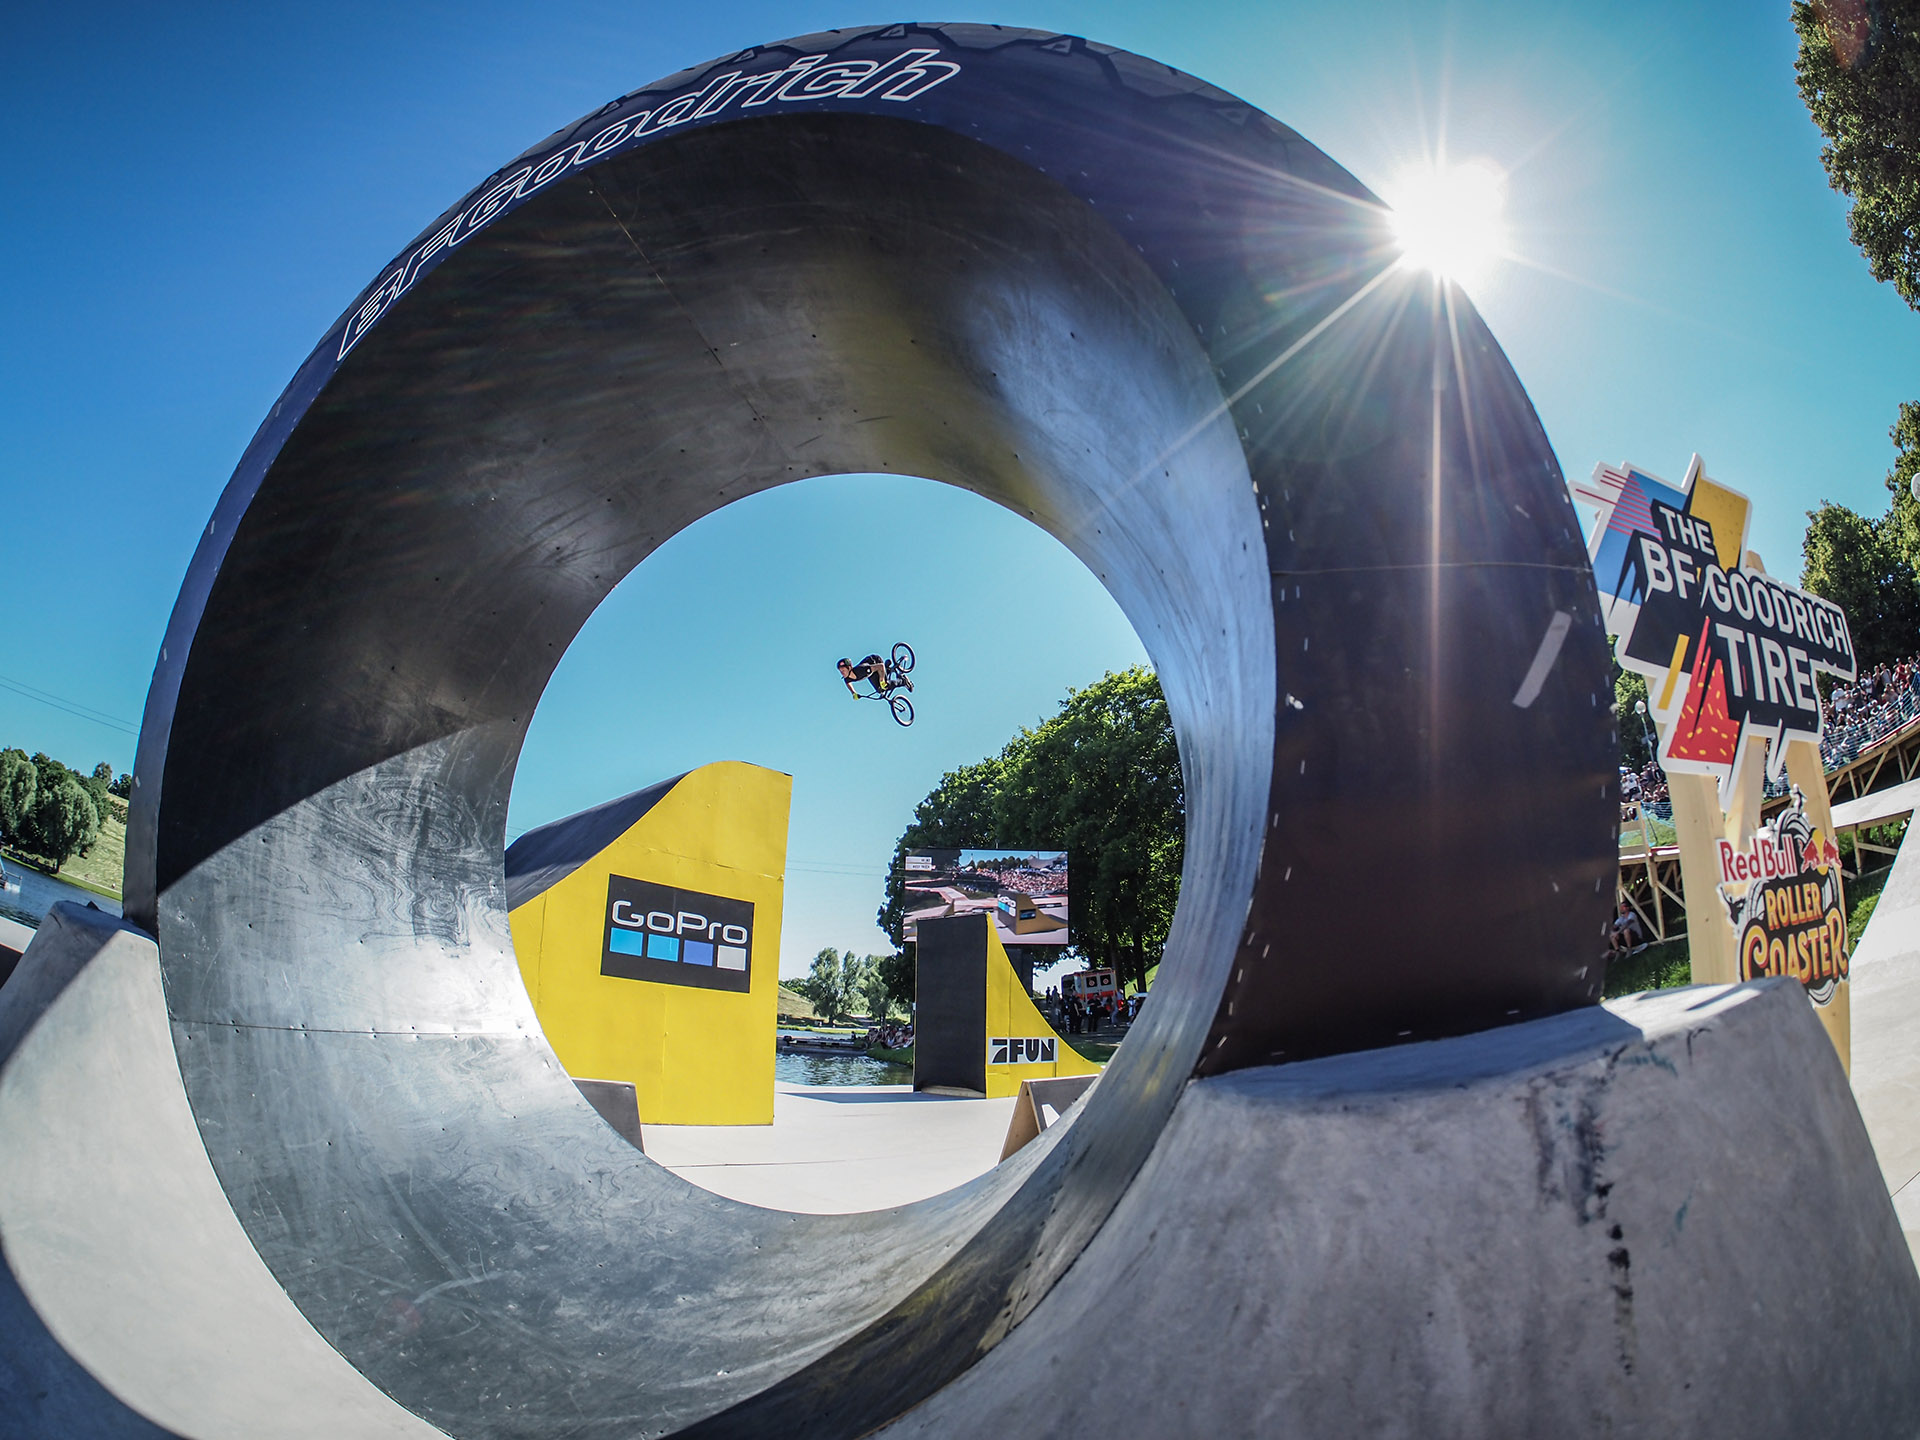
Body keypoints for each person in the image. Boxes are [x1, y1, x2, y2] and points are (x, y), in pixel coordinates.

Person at [838, 654, 912, 698]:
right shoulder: (847, 678)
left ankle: (903, 681)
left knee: (884, 686)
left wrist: (882, 680)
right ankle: (887, 669)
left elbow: (880, 666)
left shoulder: (862, 670)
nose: (842, 673)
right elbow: (848, 683)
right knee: (879, 689)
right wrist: (853, 693)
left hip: (876, 661)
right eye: (840, 671)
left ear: (849, 668)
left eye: (843, 670)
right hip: (870, 671)